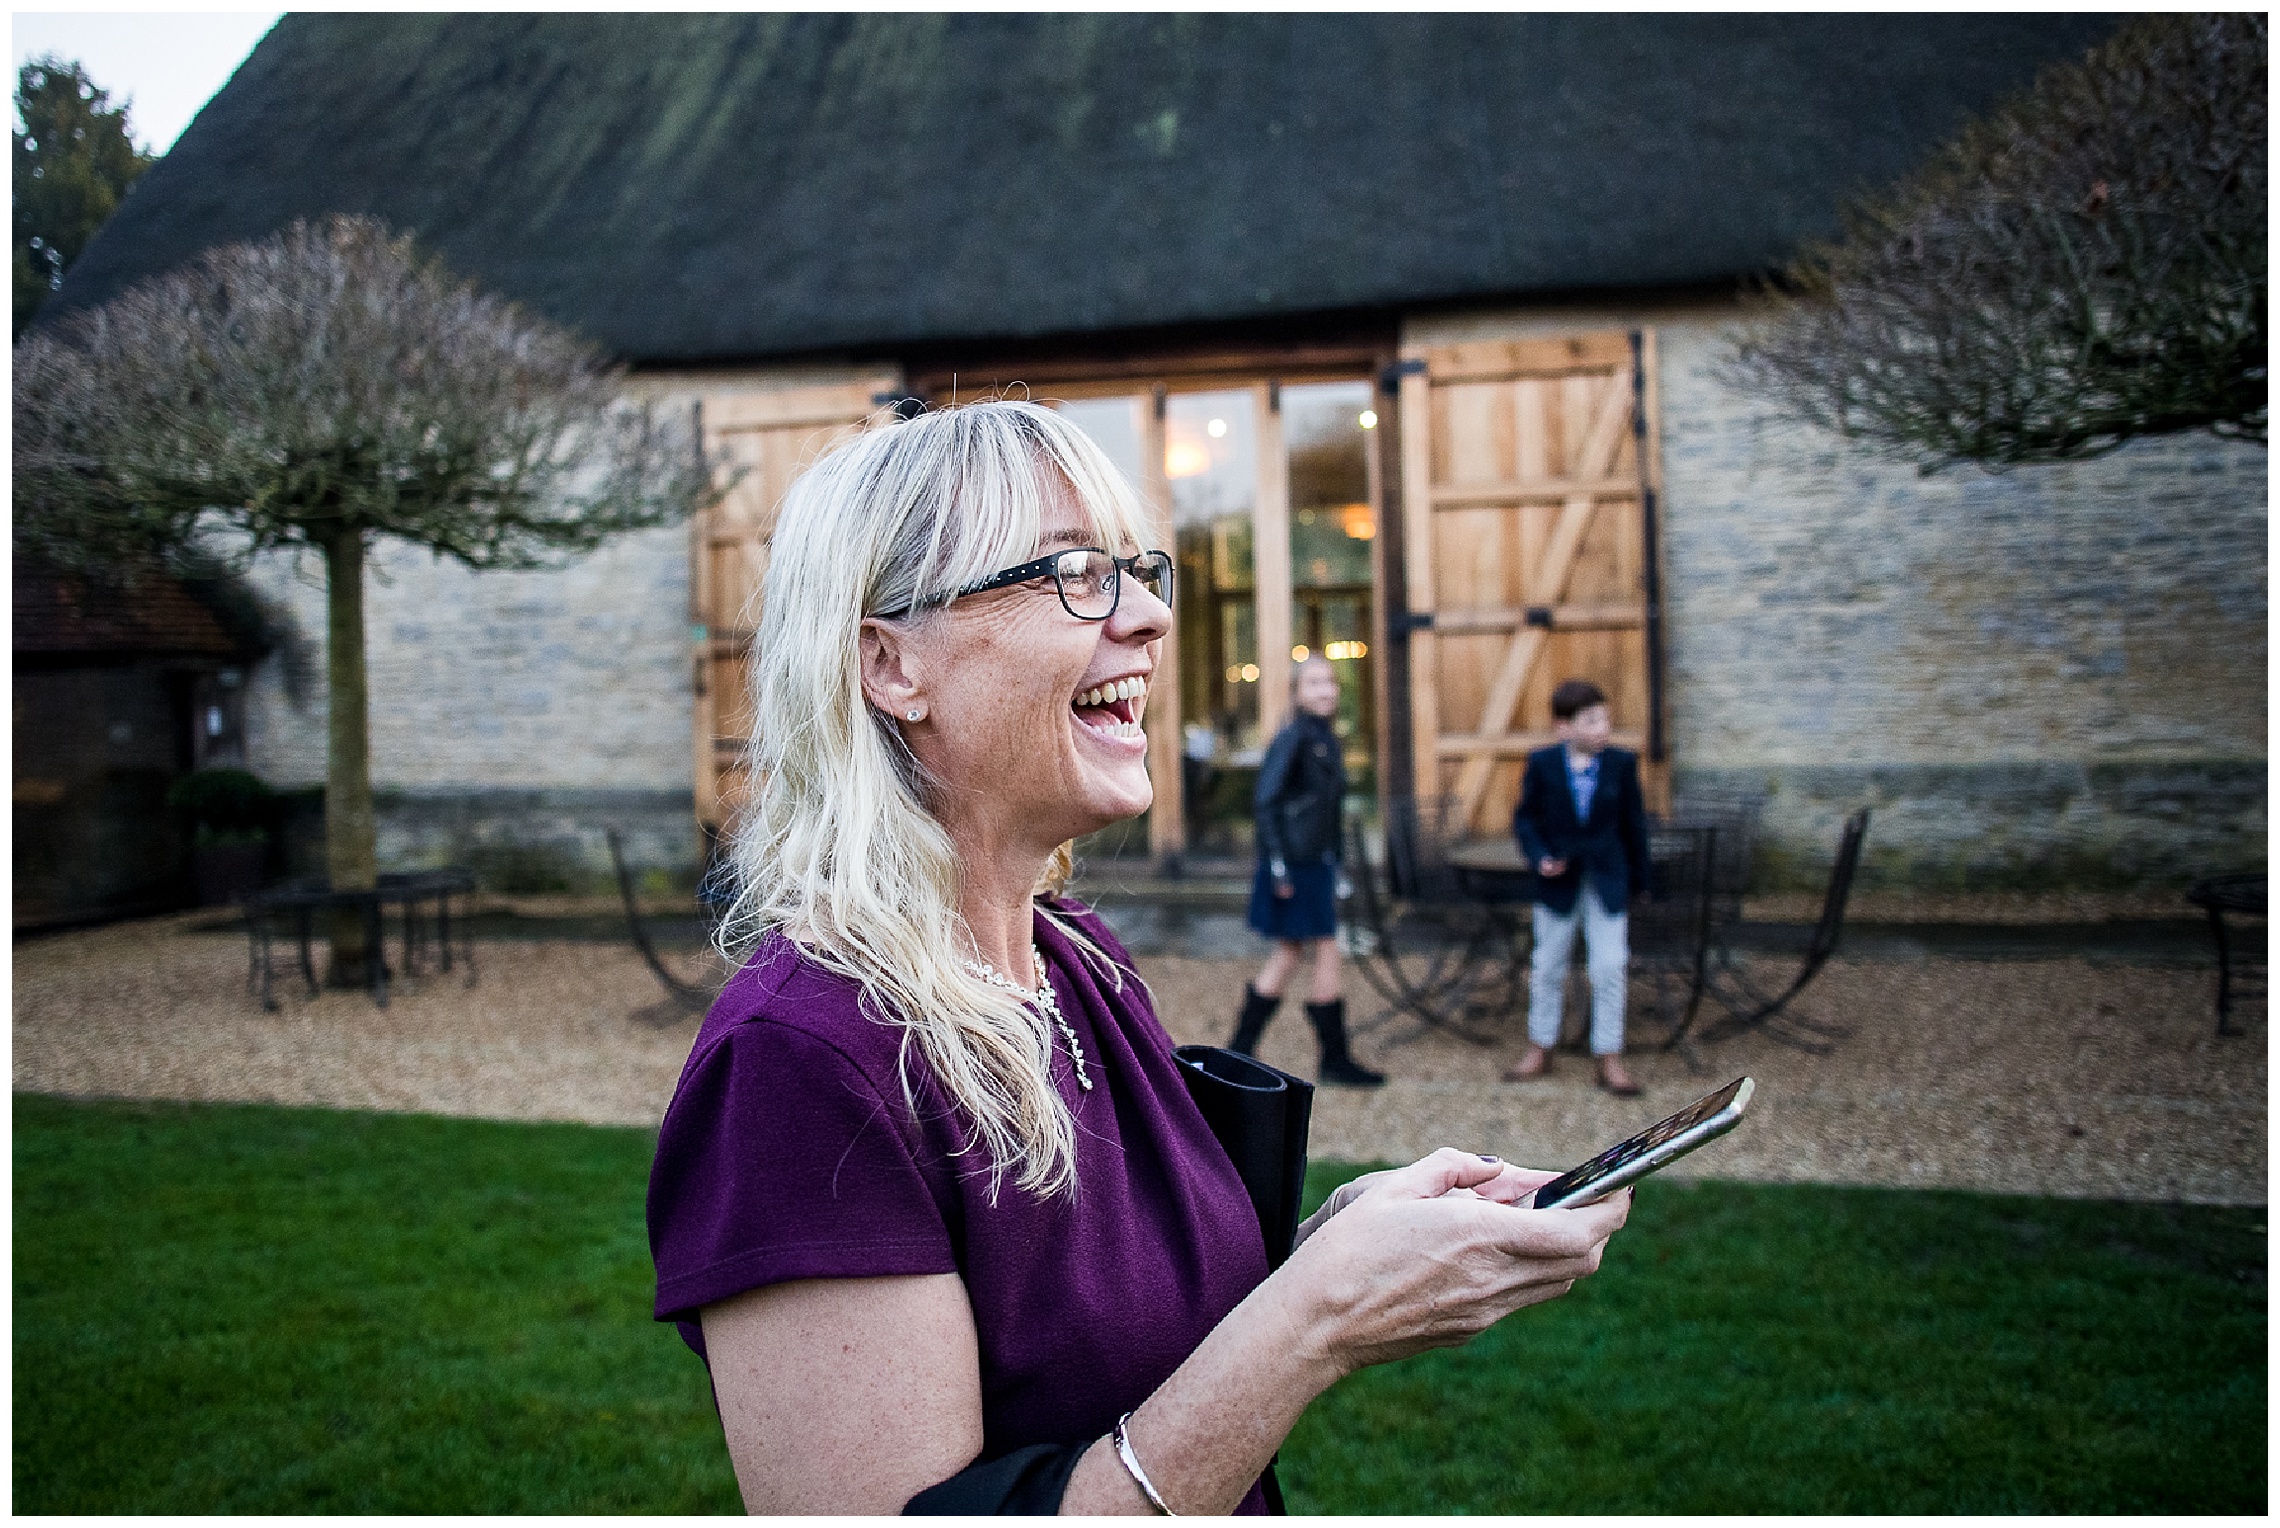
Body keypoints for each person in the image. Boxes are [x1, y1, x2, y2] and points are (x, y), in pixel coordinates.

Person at [646, 401, 1631, 1514]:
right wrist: (1319, 1319)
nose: (1153, 616)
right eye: (1072, 573)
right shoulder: (803, 1064)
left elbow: (1127, 1329)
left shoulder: (1079, 962)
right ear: (891, 663)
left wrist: (1351, 1249)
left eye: (1137, 569)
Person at [1227, 654, 1383, 1086]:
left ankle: (1242, 1047)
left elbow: (1326, 812)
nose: (1326, 690)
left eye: (1329, 682)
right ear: (1298, 691)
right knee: (1322, 949)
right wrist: (1278, 867)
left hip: (1314, 864)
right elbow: (1266, 801)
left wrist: (1337, 866)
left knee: (1293, 952)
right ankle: (1332, 1058)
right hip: (1294, 867)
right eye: (1314, 683)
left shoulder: (1324, 737)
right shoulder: (1293, 737)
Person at [1503, 679, 1652, 1097]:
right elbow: (1525, 820)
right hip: (1558, 882)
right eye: (1590, 720)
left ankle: (1609, 1057)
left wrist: (1641, 881)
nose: (1602, 727)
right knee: (1547, 966)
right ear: (1563, 727)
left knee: (1609, 967)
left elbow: (1633, 825)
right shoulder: (1543, 764)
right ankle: (1540, 1047)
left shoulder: (1621, 764)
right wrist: (1540, 855)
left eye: (1605, 718)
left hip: (1607, 880)